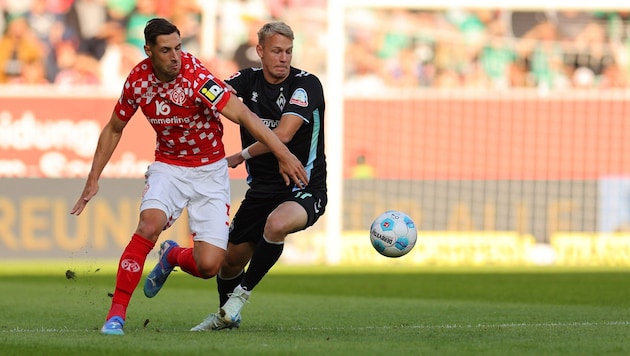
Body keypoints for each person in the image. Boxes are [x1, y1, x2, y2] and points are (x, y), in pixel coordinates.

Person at [70, 18, 307, 336]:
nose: (175, 56)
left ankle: (172, 255)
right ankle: (116, 316)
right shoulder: (138, 81)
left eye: (179, 47)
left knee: (209, 266)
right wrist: (93, 177)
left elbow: (244, 115)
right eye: (166, 50)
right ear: (149, 51)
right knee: (148, 225)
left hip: (210, 172)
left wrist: (283, 153)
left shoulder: (197, 78)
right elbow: (115, 127)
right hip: (168, 167)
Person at [142, 21, 327, 331]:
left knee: (277, 224)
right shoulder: (245, 80)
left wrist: (241, 155)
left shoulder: (306, 85)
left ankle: (241, 297)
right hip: (260, 191)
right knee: (225, 264)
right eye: (277, 51)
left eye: (289, 52)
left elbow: (282, 134)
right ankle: (181, 264)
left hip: (303, 186)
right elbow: (209, 97)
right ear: (260, 52)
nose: (284, 58)